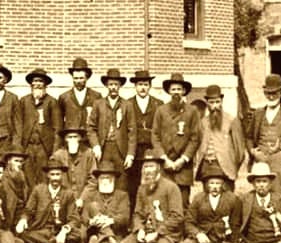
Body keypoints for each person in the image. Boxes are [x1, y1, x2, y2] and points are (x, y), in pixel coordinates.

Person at [122, 150, 184, 243]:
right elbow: (137, 214)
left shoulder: (171, 187)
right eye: (145, 167)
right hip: (146, 232)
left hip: (165, 234)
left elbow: (177, 217)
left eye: (151, 166)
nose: (148, 170)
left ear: (159, 168)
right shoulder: (142, 189)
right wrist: (140, 229)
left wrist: (157, 233)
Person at [151, 71, 201, 206]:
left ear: (184, 91)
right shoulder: (161, 110)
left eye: (179, 89)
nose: (176, 92)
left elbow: (195, 138)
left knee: (182, 202)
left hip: (183, 167)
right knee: (164, 201)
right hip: (165, 165)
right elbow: (155, 136)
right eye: (173, 89)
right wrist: (164, 158)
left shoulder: (192, 111)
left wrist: (183, 159)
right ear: (168, 91)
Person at [86, 68, 135, 190]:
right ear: (107, 86)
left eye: (116, 85)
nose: (113, 87)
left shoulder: (127, 105)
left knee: (122, 181)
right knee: (104, 177)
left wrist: (130, 154)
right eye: (111, 84)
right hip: (104, 148)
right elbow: (91, 127)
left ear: (120, 86)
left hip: (121, 150)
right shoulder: (98, 104)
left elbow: (132, 131)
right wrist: (96, 145)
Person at [181, 163, 242, 243]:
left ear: (223, 185)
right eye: (211, 183)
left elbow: (236, 224)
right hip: (202, 238)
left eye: (218, 183)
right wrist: (198, 234)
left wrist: (231, 240)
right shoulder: (198, 198)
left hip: (222, 240)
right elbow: (189, 222)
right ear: (206, 185)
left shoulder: (232, 199)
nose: (214, 186)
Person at [195, 83, 246, 191]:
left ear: (222, 102)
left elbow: (240, 151)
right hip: (207, 167)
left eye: (217, 102)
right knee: (209, 201)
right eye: (211, 102)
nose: (215, 106)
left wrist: (232, 166)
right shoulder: (203, 122)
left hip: (225, 168)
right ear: (207, 104)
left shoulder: (232, 121)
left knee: (227, 201)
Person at [14, 158, 75, 243]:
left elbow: (74, 218)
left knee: (78, 236)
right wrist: (23, 220)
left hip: (59, 229)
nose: (55, 178)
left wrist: (64, 231)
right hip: (42, 230)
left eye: (58, 174)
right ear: (48, 175)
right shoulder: (38, 190)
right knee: (23, 234)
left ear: (62, 175)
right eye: (52, 174)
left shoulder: (68, 193)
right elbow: (28, 211)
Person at [123, 68, 162, 207]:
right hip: (134, 150)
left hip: (152, 150)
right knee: (133, 185)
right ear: (135, 86)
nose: (143, 88)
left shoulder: (158, 104)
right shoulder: (127, 104)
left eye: (145, 84)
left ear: (150, 86)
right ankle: (135, 216)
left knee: (152, 183)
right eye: (140, 84)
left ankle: (151, 216)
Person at [75, 159, 130, 243]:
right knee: (93, 206)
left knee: (100, 242)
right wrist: (91, 221)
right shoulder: (91, 195)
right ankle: (110, 239)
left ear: (113, 180)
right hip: (94, 228)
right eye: (102, 178)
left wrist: (110, 220)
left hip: (115, 231)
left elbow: (125, 217)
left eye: (108, 178)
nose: (104, 181)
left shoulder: (122, 195)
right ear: (98, 180)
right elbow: (84, 216)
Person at [18, 67, 61, 188]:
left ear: (45, 84)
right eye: (35, 81)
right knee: (28, 178)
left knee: (43, 178)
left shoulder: (52, 102)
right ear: (31, 84)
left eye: (40, 81)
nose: (37, 84)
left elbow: (57, 129)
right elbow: (18, 125)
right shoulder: (24, 101)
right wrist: (20, 148)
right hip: (28, 147)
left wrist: (54, 151)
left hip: (44, 148)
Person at [50, 125, 96, 203]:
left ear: (80, 138)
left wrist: (82, 199)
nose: (72, 140)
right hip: (64, 199)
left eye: (75, 137)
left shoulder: (88, 154)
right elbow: (54, 180)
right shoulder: (58, 156)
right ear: (65, 139)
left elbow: (93, 180)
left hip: (85, 199)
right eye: (70, 137)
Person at [60, 57, 101, 133]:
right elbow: (60, 122)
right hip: (71, 138)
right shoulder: (64, 97)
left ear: (87, 78)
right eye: (76, 78)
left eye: (81, 78)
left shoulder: (96, 96)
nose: (78, 81)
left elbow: (100, 120)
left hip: (89, 139)